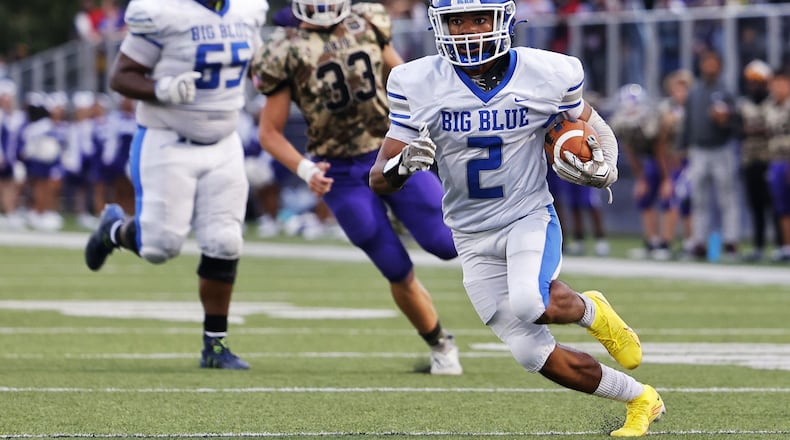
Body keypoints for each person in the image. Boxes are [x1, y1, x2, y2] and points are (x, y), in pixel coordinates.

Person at [369, 0, 664, 436]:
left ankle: (591, 312)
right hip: (469, 233)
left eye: (477, 19)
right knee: (531, 354)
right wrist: (403, 164)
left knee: (530, 301)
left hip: (527, 215)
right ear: (439, 26)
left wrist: (608, 168)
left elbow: (588, 122)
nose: (468, 30)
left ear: (502, 19)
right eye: (456, 21)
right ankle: (641, 399)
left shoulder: (548, 73)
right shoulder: (415, 81)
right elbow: (379, 178)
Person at [251, 0, 463, 375]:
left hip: (392, 150)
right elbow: (269, 132)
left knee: (445, 244)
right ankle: (440, 345)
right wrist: (304, 169)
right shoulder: (281, 48)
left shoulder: (367, 21)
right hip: (340, 172)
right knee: (394, 266)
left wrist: (432, 124)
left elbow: (404, 81)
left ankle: (522, 270)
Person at [84, 0, 269, 370]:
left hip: (224, 140)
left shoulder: (247, 10)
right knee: (159, 246)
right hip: (167, 138)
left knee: (225, 241)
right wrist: (163, 87)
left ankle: (215, 346)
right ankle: (115, 230)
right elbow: (121, 76)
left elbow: (259, 66)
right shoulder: (161, 11)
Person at [678, 49, 741, 261]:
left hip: (721, 148)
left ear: (720, 66)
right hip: (699, 150)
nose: (710, 67)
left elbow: (737, 124)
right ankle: (699, 242)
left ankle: (731, 242)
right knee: (699, 199)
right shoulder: (695, 92)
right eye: (707, 62)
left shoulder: (725, 91)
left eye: (713, 63)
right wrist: (682, 146)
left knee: (727, 197)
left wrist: (726, 120)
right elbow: (687, 122)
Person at [736, 60, 780, 262]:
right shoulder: (743, 105)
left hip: (769, 159)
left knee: (776, 206)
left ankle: (781, 245)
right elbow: (736, 130)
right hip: (750, 160)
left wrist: (753, 130)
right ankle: (759, 246)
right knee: (755, 207)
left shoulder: (774, 103)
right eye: (751, 81)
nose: (754, 86)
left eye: (758, 81)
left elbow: (774, 129)